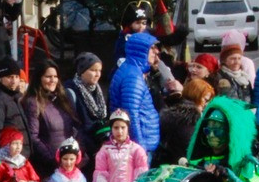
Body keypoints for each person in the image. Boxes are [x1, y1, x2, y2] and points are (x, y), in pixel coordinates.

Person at [21, 59, 80, 180]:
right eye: (48, 77)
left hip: (69, 163)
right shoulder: (33, 102)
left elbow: (76, 128)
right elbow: (33, 137)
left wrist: (78, 154)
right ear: (39, 78)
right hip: (49, 166)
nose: (53, 80)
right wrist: (54, 159)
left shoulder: (64, 99)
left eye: (55, 76)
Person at [108, 32, 161, 160]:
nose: (156, 52)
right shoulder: (133, 77)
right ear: (141, 51)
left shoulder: (132, 70)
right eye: (152, 48)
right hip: (139, 146)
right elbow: (131, 113)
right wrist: (140, 147)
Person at [155, 78, 213, 168]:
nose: (206, 104)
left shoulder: (173, 111)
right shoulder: (190, 120)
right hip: (178, 167)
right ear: (196, 96)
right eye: (205, 100)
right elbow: (190, 147)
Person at [68, 52, 107, 151]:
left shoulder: (97, 89)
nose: (97, 74)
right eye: (93, 70)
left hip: (98, 144)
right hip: (84, 147)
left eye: (99, 70)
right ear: (82, 71)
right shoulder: (71, 90)